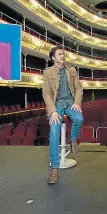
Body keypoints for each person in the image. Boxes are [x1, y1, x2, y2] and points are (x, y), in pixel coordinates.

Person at [42, 45, 84, 184]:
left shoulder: (72, 70)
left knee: (79, 118)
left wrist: (77, 102)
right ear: (53, 57)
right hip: (56, 104)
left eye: (63, 54)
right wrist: (53, 111)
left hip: (70, 102)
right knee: (54, 132)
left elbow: (78, 88)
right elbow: (47, 93)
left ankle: (72, 140)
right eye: (60, 54)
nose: (63, 55)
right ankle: (54, 168)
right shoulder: (48, 72)